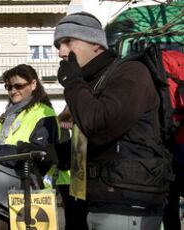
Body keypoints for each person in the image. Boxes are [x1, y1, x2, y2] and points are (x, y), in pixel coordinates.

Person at [54, 12, 168, 230]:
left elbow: (99, 126)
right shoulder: (92, 82)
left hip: (126, 203)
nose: (61, 53)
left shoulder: (130, 72)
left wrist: (73, 81)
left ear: (96, 43)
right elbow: (88, 141)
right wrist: (47, 153)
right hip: (97, 199)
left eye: (68, 42)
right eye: (58, 45)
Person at [0, 64, 60, 229]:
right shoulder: (10, 114)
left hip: (31, 191)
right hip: (1, 190)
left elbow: (42, 155)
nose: (12, 90)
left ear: (33, 84)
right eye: (8, 86)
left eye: (18, 86)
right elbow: (1, 145)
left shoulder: (44, 113)